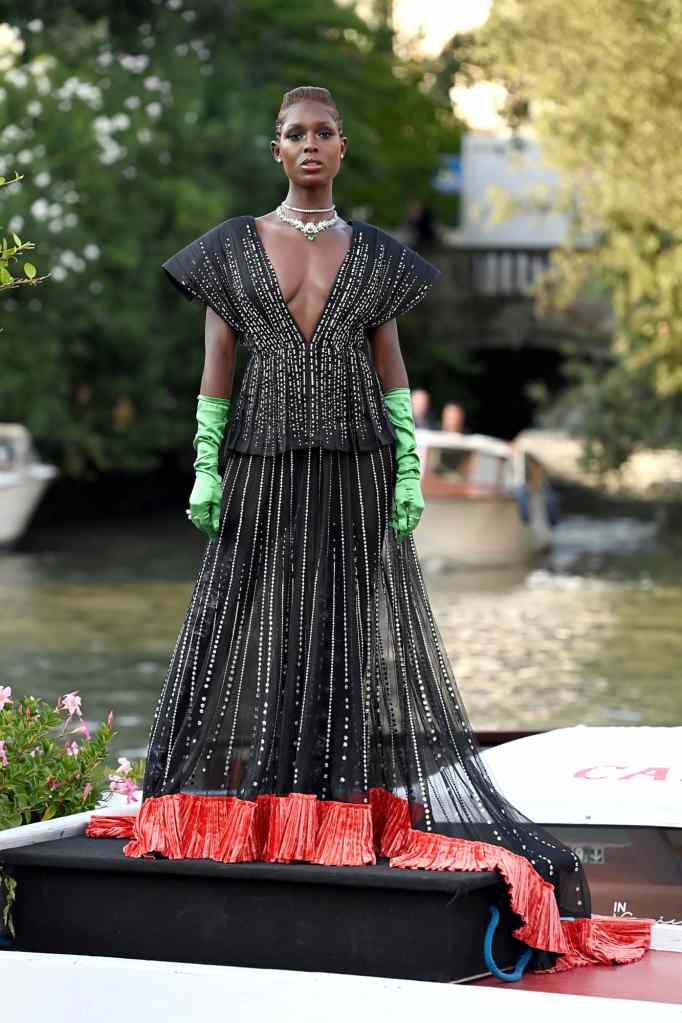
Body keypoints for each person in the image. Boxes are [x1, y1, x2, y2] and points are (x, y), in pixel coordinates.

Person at [88, 86, 650, 973]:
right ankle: (254, 806)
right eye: (294, 134)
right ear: (276, 148)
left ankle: (338, 809)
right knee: (246, 620)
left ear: (340, 149)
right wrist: (204, 460)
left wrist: (409, 466)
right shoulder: (233, 249)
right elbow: (218, 359)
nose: (309, 146)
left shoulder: (379, 258)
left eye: (322, 134)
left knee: (348, 629)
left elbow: (392, 370)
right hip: (262, 460)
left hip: (354, 465)